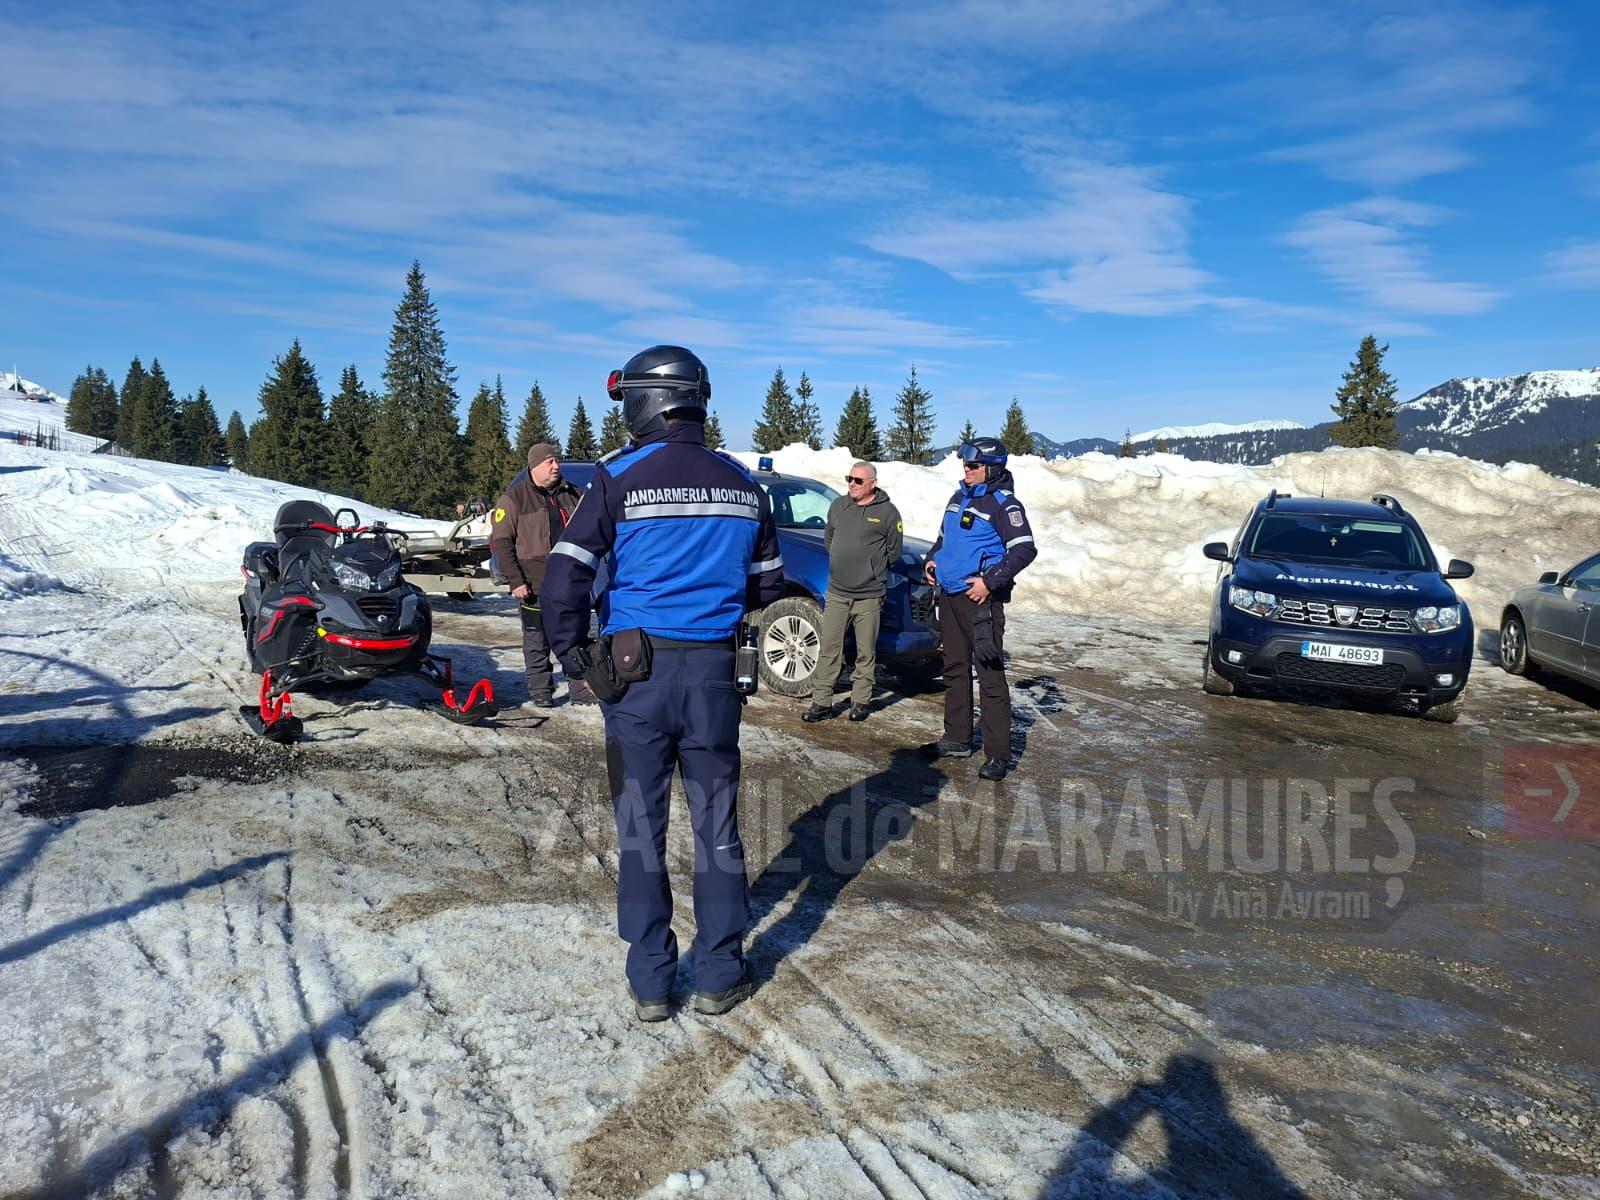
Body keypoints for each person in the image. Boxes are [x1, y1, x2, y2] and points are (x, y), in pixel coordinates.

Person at [541, 345, 785, 1022]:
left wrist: (572, 656)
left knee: (640, 828)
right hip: (713, 674)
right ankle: (718, 974)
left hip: (635, 678)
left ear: (648, 400)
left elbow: (564, 577)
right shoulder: (743, 483)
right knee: (717, 828)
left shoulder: (619, 476)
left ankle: (651, 981)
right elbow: (768, 583)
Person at [921, 436, 1036, 780]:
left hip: (981, 601)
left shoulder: (1004, 505)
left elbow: (1024, 550)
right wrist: (931, 562)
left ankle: (997, 754)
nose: (966, 470)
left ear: (991, 468)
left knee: (989, 673)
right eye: (965, 465)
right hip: (951, 597)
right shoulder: (958, 498)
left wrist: (990, 581)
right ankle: (957, 737)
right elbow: (942, 541)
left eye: (973, 465)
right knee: (954, 668)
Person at [802, 461, 903, 723]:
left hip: (869, 595)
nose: (851, 484)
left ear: (873, 483)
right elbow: (829, 538)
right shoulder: (838, 506)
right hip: (837, 593)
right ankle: (821, 702)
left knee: (865, 651)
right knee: (829, 649)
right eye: (849, 479)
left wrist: (872, 569)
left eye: (858, 480)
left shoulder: (888, 513)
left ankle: (860, 701)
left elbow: (894, 551)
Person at [489, 442, 587, 707]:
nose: (556, 466)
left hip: (569, 582)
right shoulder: (514, 499)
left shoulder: (573, 494)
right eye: (550, 462)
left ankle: (580, 689)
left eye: (557, 461)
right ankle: (541, 691)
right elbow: (502, 542)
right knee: (536, 641)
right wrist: (516, 580)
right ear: (535, 466)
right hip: (533, 583)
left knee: (575, 636)